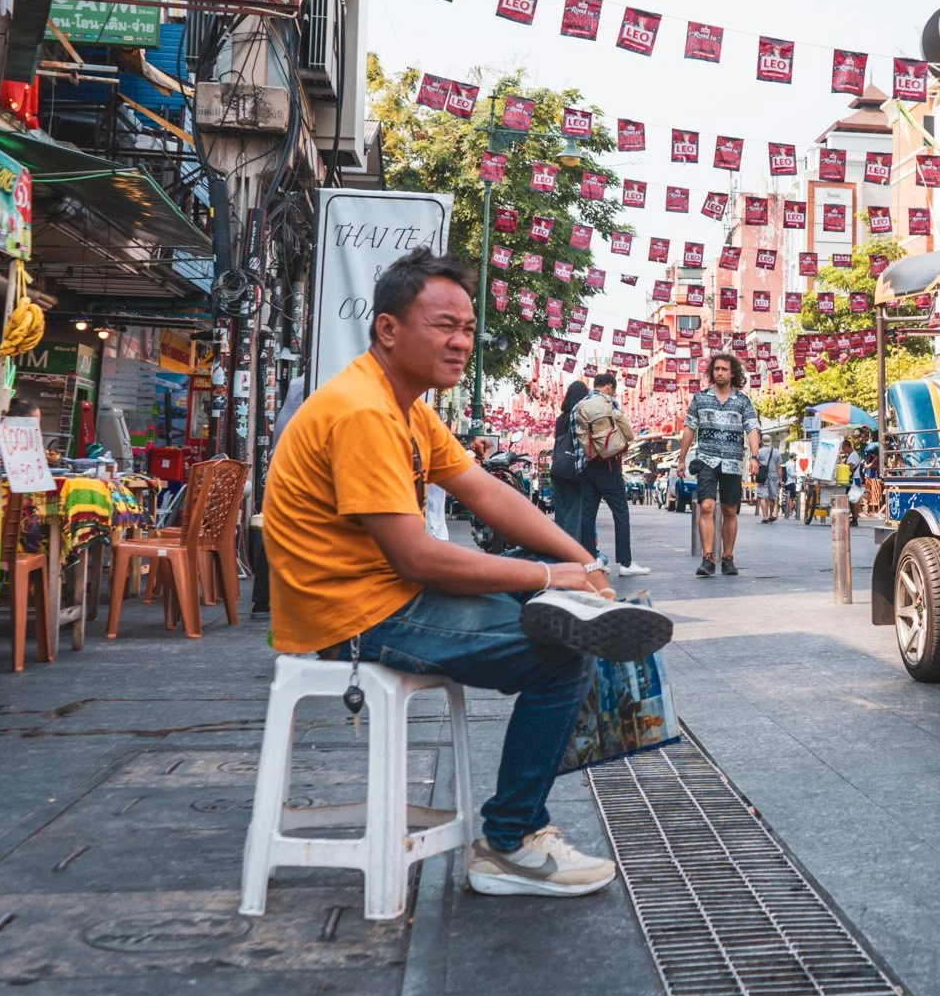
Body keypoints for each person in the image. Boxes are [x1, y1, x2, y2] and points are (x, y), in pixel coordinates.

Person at [263, 248, 671, 897]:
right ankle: (510, 841)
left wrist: (581, 561)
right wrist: (550, 579)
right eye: (444, 325)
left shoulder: (405, 405)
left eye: (467, 328)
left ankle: (559, 616)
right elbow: (418, 558)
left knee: (551, 591)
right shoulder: (364, 411)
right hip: (359, 617)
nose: (461, 342)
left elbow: (486, 492)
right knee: (562, 659)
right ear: (388, 329)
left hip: (391, 594)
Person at [679, 353, 759, 577]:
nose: (720, 373)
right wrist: (681, 459)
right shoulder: (700, 399)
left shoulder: (742, 401)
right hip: (706, 459)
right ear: (711, 372)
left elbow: (752, 428)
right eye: (716, 369)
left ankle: (728, 557)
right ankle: (707, 558)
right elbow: (689, 428)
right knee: (706, 506)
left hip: (733, 461)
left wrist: (754, 457)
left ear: (732, 373)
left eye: (724, 369)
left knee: (730, 510)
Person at [573, 373, 644, 576]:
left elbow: (575, 438)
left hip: (586, 466)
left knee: (588, 516)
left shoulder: (578, 406)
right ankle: (625, 563)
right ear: (609, 387)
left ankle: (591, 562)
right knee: (620, 512)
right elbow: (625, 431)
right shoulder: (608, 402)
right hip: (608, 465)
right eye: (613, 390)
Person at [549, 382, 592, 559]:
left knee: (561, 513)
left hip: (558, 469)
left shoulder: (561, 419)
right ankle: (572, 556)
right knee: (575, 514)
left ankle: (559, 552)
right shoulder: (580, 416)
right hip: (573, 470)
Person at [754, 441, 782, 522]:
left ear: (762, 442)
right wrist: (780, 480)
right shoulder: (777, 452)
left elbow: (755, 464)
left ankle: (765, 517)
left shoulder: (759, 451)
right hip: (773, 476)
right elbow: (779, 467)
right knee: (772, 497)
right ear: (771, 442)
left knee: (762, 496)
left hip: (762, 476)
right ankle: (770, 515)